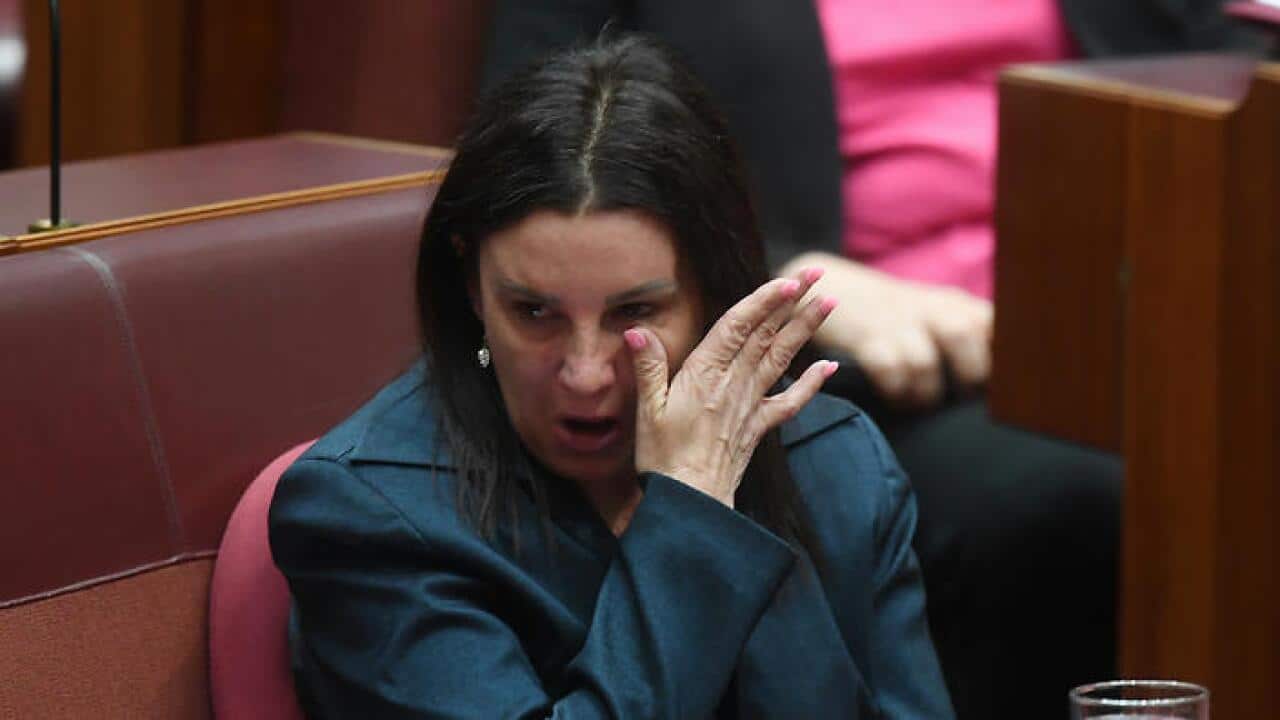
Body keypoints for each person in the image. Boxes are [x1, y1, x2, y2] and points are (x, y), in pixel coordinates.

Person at [480, 3, 1272, 719]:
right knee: (1083, 499)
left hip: (1144, 318)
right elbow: (540, 152)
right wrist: (786, 278)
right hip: (858, 354)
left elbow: (1231, 60)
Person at [269, 36, 954, 718]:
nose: (586, 374)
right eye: (533, 312)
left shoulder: (836, 465)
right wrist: (691, 513)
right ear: (473, 287)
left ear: (710, 296)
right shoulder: (371, 517)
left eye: (634, 312)